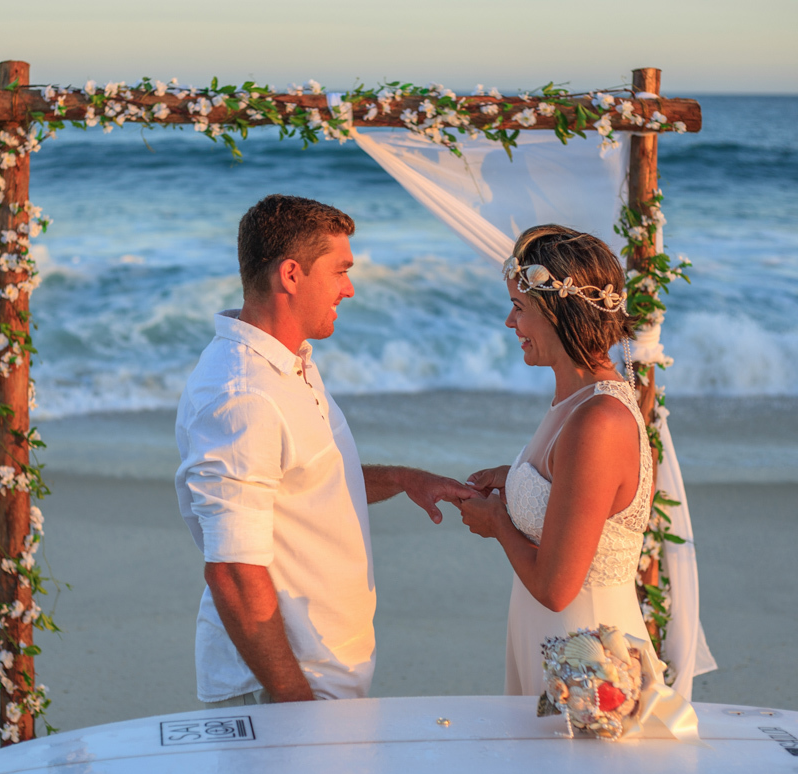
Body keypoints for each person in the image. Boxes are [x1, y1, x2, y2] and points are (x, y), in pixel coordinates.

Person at [175, 194, 477, 708]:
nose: (350, 288)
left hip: (320, 671)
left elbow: (304, 482)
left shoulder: (289, 363)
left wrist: (403, 479)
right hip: (282, 686)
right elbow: (231, 569)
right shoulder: (243, 396)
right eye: (340, 271)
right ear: (292, 275)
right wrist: (295, 700)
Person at [457, 224, 657, 696]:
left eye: (520, 308)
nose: (510, 323)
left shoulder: (599, 421)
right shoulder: (575, 401)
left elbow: (556, 586)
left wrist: (497, 523)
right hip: (549, 633)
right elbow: (574, 495)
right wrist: (516, 481)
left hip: (584, 652)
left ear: (557, 313)